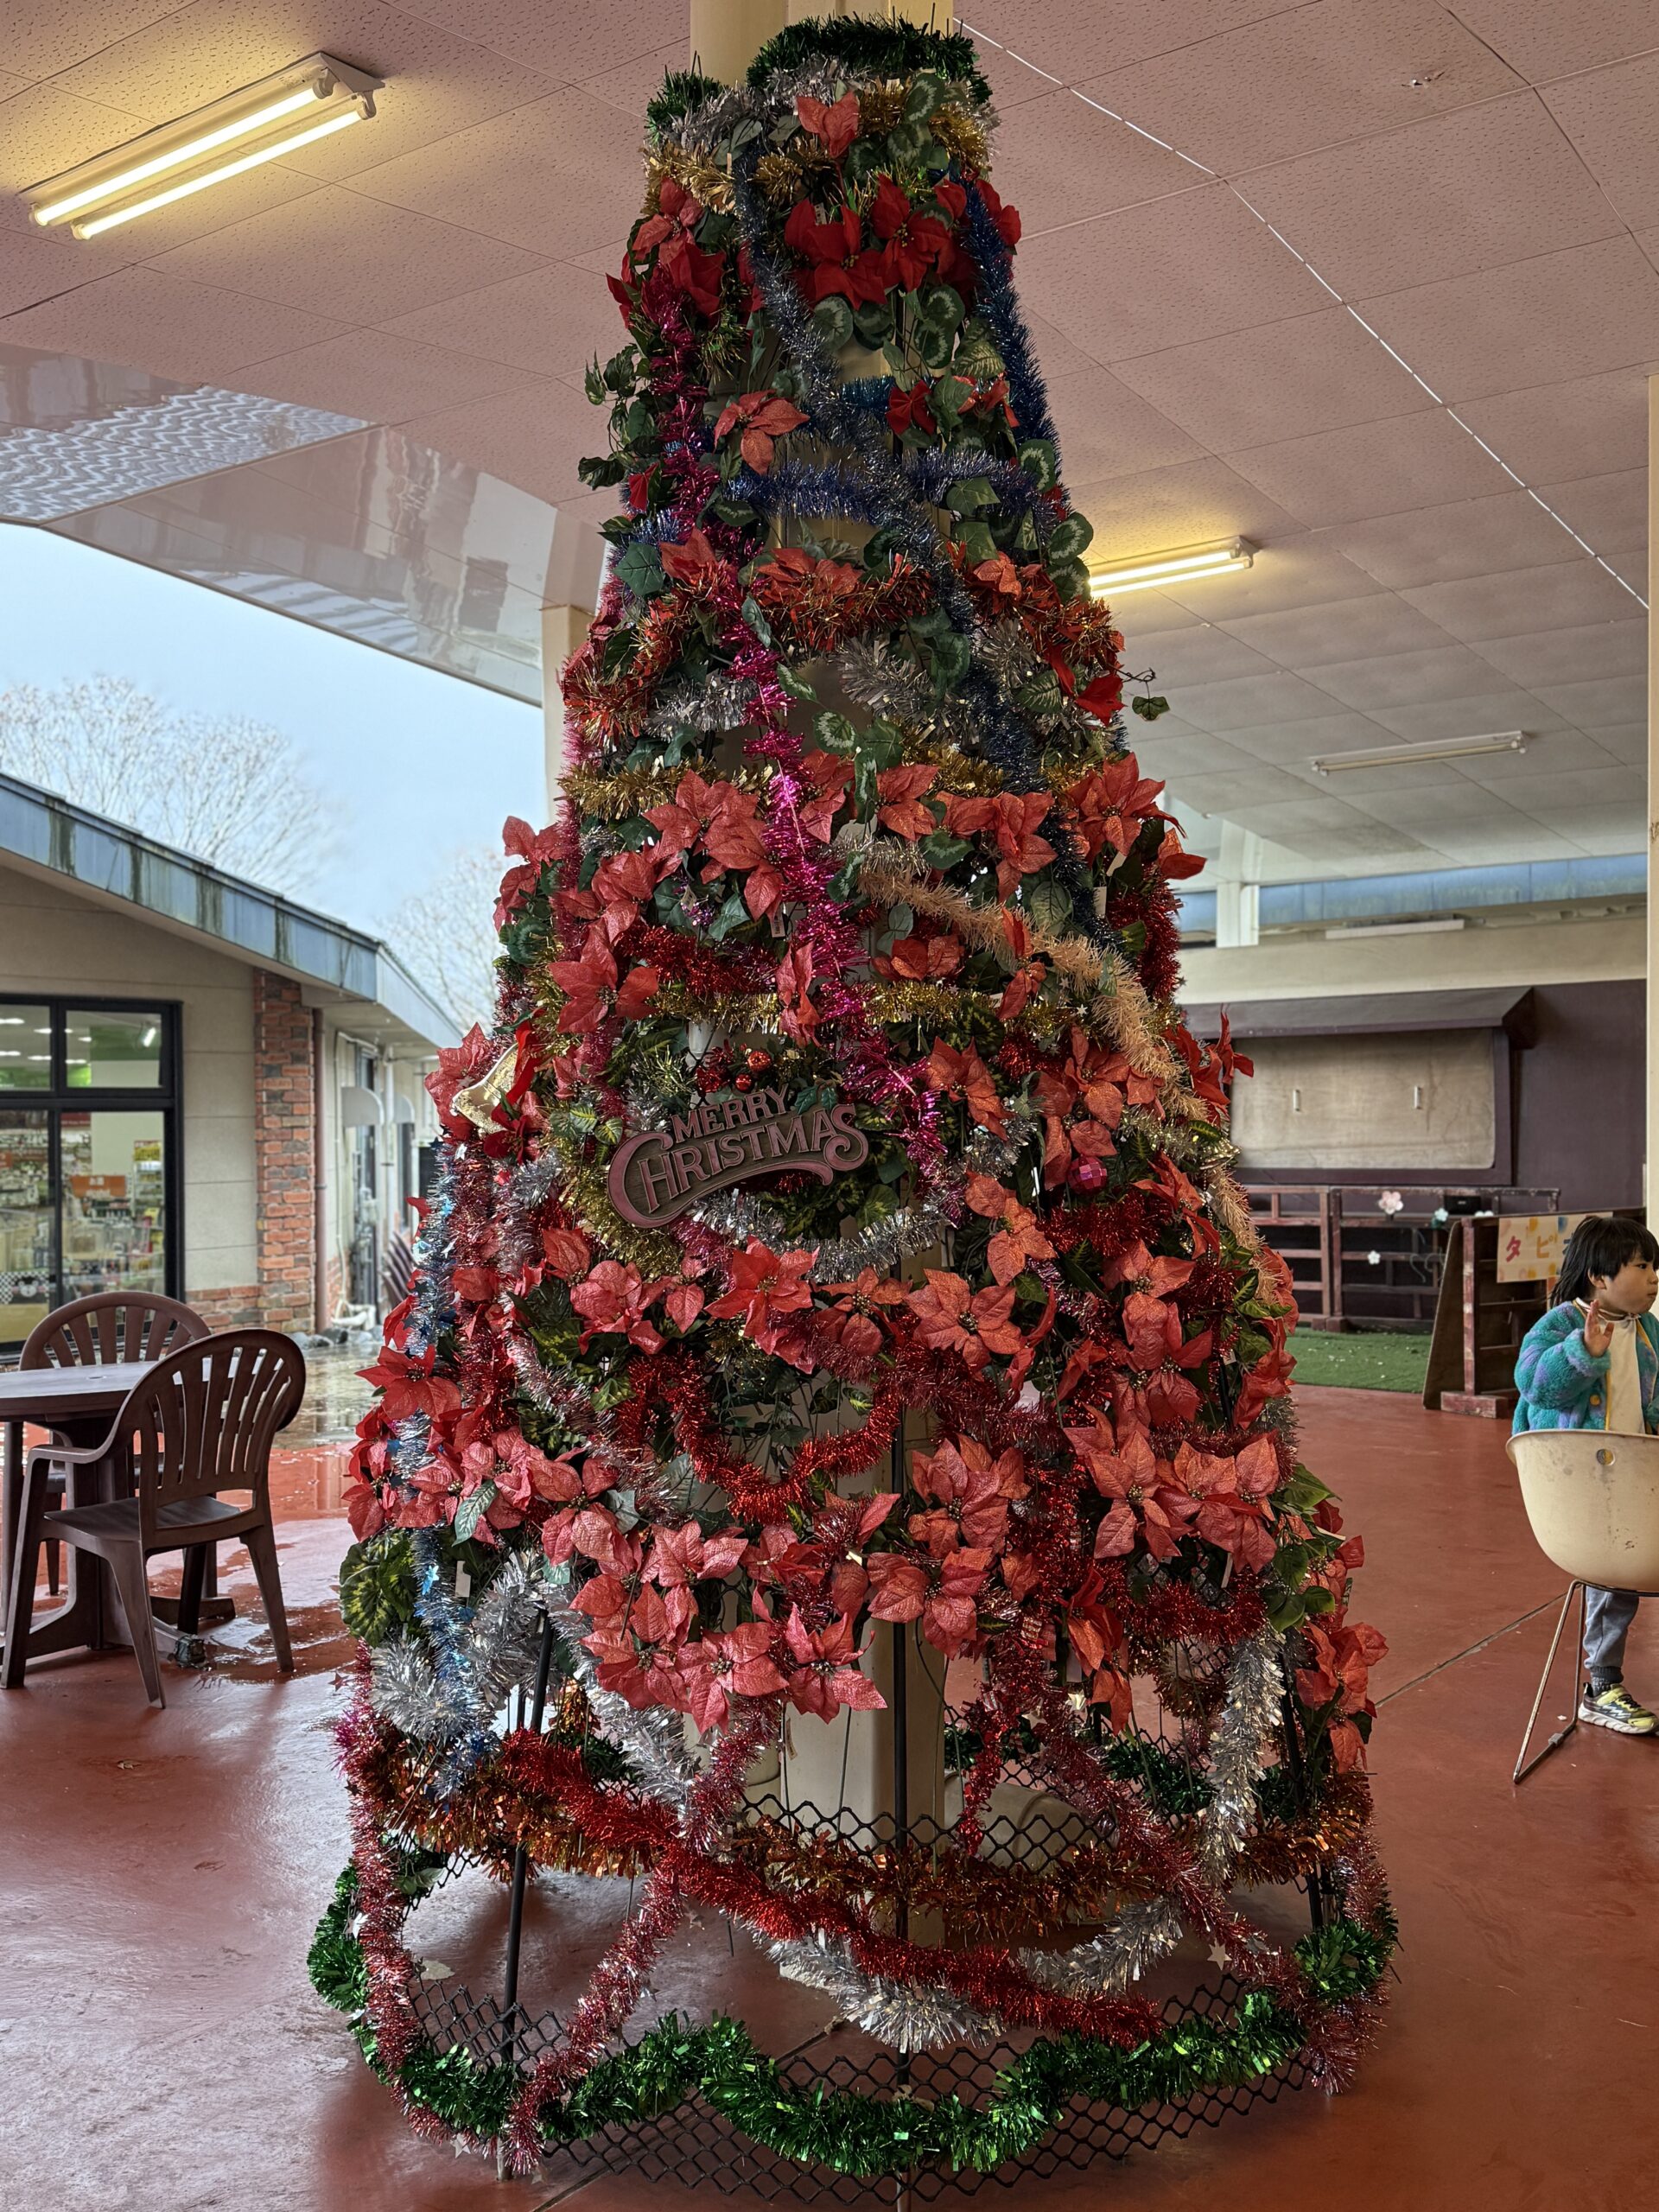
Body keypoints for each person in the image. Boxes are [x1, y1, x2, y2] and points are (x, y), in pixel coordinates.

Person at [1514, 1216, 1659, 1735]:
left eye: (1654, 1267)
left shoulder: (1648, 1329)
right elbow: (1533, 1384)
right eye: (1641, 1266)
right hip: (1579, 1485)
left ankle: (1604, 1684)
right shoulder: (1559, 1324)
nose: (1653, 1278)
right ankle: (1601, 1686)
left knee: (1629, 1566)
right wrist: (1583, 1353)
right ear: (1599, 1276)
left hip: (1635, 1475)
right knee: (1613, 1575)